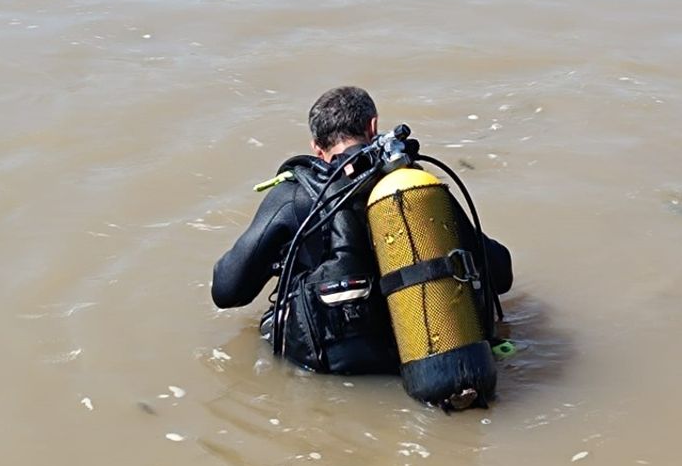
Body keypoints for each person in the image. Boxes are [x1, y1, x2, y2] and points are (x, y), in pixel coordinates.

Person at [211, 86, 513, 375]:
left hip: (335, 370)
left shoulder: (294, 197)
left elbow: (227, 291)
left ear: (316, 147)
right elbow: (500, 275)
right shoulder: (414, 187)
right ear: (373, 126)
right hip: (428, 356)